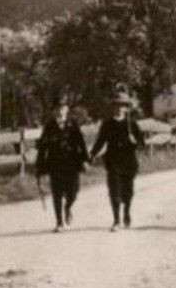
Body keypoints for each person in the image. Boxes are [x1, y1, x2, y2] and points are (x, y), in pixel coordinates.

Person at [89, 87, 145, 231]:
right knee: (114, 191)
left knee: (128, 191)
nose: (119, 108)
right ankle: (116, 220)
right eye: (117, 105)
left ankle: (126, 212)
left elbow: (142, 145)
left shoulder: (132, 124)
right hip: (113, 161)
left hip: (129, 162)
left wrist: (135, 142)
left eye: (123, 105)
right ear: (112, 107)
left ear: (127, 108)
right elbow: (100, 141)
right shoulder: (107, 124)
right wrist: (91, 154)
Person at [36, 99, 89, 231]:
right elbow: (43, 147)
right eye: (57, 108)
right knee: (57, 193)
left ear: (66, 110)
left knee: (73, 192)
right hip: (55, 164)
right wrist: (39, 165)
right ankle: (59, 222)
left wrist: (85, 159)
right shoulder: (49, 127)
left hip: (72, 163)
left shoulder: (73, 124)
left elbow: (81, 143)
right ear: (53, 111)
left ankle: (67, 207)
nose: (60, 111)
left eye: (62, 108)